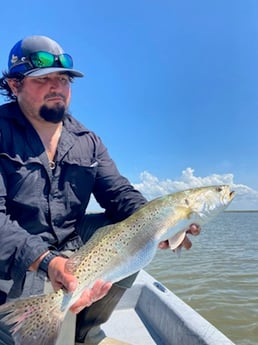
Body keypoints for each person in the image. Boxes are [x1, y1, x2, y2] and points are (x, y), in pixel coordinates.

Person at [0, 35, 200, 345]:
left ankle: (86, 332)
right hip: (14, 253)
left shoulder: (87, 140)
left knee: (138, 231)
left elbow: (119, 193)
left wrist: (163, 223)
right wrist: (47, 261)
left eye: (63, 79)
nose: (57, 86)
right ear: (15, 85)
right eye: (43, 79)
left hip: (70, 240)